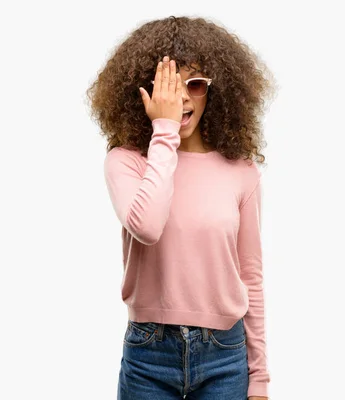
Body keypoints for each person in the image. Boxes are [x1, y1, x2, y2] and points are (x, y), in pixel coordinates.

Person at [85, 15, 276, 400]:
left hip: (225, 356)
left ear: (216, 91)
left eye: (196, 84)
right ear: (146, 90)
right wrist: (164, 131)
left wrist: (260, 378)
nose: (184, 98)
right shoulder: (127, 162)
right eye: (169, 85)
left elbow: (250, 276)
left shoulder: (241, 172)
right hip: (148, 354)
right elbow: (148, 225)